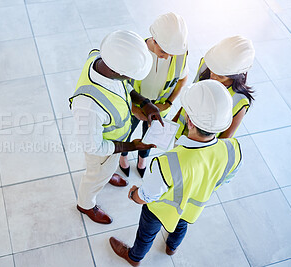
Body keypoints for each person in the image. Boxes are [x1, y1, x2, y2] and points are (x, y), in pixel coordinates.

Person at [109, 80, 243, 266]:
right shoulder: (233, 149)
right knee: (181, 226)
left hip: (158, 211)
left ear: (189, 120)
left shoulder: (167, 163)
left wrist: (133, 195)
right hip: (191, 208)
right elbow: (224, 179)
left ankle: (134, 257)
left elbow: (146, 196)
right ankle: (172, 247)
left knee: (146, 235)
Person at [69, 30, 164, 224]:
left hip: (113, 145)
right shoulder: (88, 107)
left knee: (105, 170)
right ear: (117, 72)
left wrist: (144, 102)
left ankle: (108, 173)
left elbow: (123, 86)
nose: (130, 80)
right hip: (102, 151)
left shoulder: (102, 58)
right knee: (95, 177)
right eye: (128, 76)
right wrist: (132, 147)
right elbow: (93, 147)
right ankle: (86, 204)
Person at [119, 12, 189, 178]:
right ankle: (124, 157)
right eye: (163, 51)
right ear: (153, 39)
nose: (167, 56)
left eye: (171, 53)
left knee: (150, 137)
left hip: (159, 106)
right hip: (134, 105)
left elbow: (182, 79)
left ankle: (142, 161)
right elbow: (121, 85)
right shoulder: (136, 52)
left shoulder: (178, 54)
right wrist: (135, 109)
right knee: (126, 132)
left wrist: (169, 103)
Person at [174, 35, 255, 139]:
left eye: (220, 76)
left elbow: (224, 139)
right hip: (179, 135)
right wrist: (172, 124)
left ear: (236, 75)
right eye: (212, 69)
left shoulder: (239, 101)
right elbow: (189, 100)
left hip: (199, 149)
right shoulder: (206, 66)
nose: (212, 75)